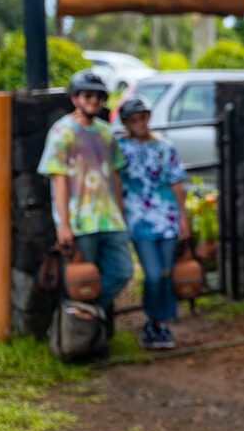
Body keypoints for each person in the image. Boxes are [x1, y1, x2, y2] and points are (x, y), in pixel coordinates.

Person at [38, 70, 133, 326]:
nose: (93, 101)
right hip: (80, 221)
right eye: (87, 95)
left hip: (110, 219)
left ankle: (87, 314)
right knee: (82, 279)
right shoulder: (62, 132)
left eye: (98, 96)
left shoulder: (106, 132)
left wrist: (121, 212)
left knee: (123, 271)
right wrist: (63, 224)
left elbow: (114, 174)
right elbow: (57, 180)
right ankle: (85, 337)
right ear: (75, 99)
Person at [116, 96, 190, 350]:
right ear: (127, 122)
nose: (139, 123)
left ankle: (162, 322)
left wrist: (183, 216)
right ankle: (151, 319)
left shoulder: (164, 147)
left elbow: (176, 181)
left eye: (143, 117)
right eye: (133, 119)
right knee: (153, 273)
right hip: (138, 219)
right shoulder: (120, 147)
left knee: (167, 272)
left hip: (166, 217)